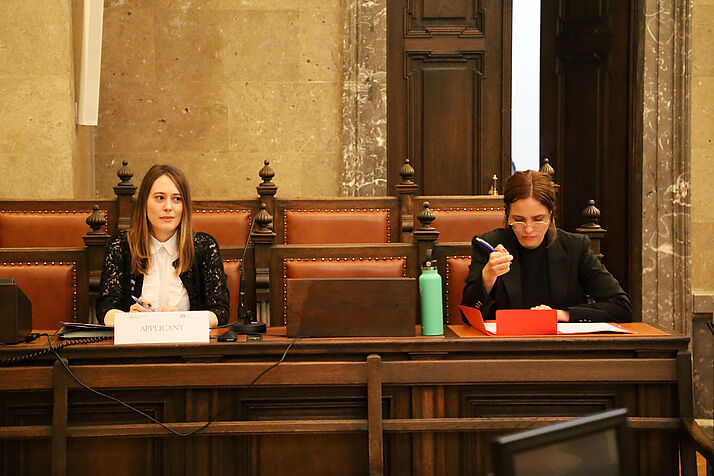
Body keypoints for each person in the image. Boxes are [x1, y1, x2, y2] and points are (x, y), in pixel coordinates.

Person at [461, 170, 632, 323]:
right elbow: (468, 317)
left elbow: (620, 307)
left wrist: (561, 315)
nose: (528, 229)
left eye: (538, 220)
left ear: (551, 214)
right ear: (507, 213)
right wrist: (487, 278)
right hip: (504, 349)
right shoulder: (488, 245)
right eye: (519, 220)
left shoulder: (574, 247)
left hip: (561, 350)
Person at [96, 164, 229, 327]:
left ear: (184, 206)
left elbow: (220, 312)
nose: (168, 207)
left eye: (177, 199)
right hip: (136, 347)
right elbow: (105, 309)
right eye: (160, 198)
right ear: (145, 202)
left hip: (190, 348)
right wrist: (129, 319)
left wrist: (182, 320)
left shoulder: (204, 246)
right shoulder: (122, 245)